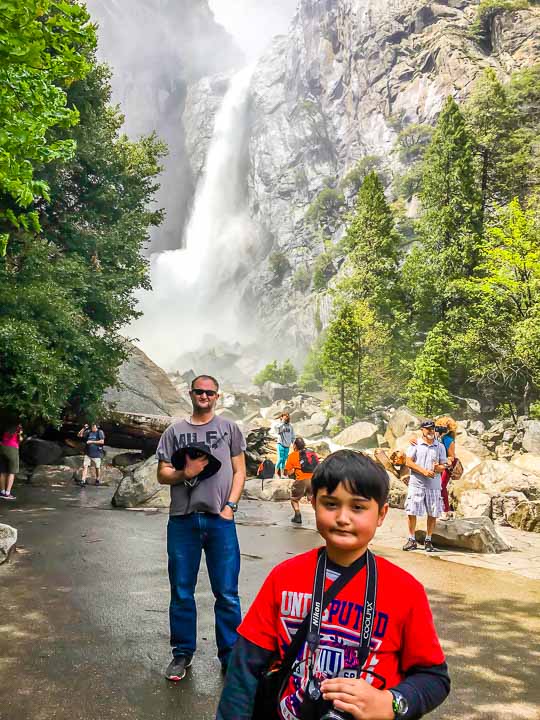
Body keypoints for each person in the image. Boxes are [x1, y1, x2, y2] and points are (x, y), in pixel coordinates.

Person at [216, 450, 450, 720]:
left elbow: (433, 678)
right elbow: (244, 669)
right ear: (313, 503)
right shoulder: (284, 577)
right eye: (331, 504)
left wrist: (391, 702)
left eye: (358, 507)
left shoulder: (405, 591)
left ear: (382, 514)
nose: (343, 517)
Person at [156, 374, 247, 682]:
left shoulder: (229, 429)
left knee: (227, 592)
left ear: (217, 396)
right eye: (199, 391)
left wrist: (230, 508)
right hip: (182, 520)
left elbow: (239, 470)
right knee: (181, 590)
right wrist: (186, 471)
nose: (204, 396)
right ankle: (182, 653)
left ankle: (230, 654)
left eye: (210, 392)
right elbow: (161, 474)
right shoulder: (174, 431)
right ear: (191, 393)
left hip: (219, 521)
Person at [402, 420, 447, 553]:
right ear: (422, 430)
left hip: (433, 486)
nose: (430, 431)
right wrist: (424, 471)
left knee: (433, 513)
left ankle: (428, 540)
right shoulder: (415, 444)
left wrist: (439, 468)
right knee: (411, 511)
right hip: (417, 484)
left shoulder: (439, 447)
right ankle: (411, 539)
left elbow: (443, 465)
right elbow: (408, 462)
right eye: (427, 429)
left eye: (432, 428)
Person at [284, 436, 319, 525]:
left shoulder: (293, 455)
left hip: (301, 480)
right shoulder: (312, 453)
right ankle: (319, 516)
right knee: (313, 499)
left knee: (294, 499)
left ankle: (297, 516)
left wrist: (290, 473)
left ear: (295, 445)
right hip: (314, 480)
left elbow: (287, 472)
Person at [435, 416, 457, 519]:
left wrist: (445, 463)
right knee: (436, 486)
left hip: (446, 466)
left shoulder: (448, 439)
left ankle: (446, 511)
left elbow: (452, 457)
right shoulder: (437, 438)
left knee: (441, 486)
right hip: (438, 464)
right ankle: (440, 509)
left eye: (443, 427)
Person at [0, 422, 23, 501]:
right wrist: (20, 434)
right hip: (12, 449)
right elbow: (20, 439)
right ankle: (7, 493)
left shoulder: (4, 425)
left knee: (3, 471)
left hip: (2, 448)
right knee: (12, 472)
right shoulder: (18, 427)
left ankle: (2, 492)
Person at [275, 412, 295, 478]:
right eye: (285, 416)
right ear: (282, 417)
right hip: (280, 444)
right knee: (280, 459)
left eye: (288, 416)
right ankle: (275, 474)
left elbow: (293, 436)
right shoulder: (280, 425)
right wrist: (282, 422)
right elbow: (276, 429)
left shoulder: (290, 426)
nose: (287, 417)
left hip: (287, 445)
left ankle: (282, 474)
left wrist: (294, 444)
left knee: (284, 460)